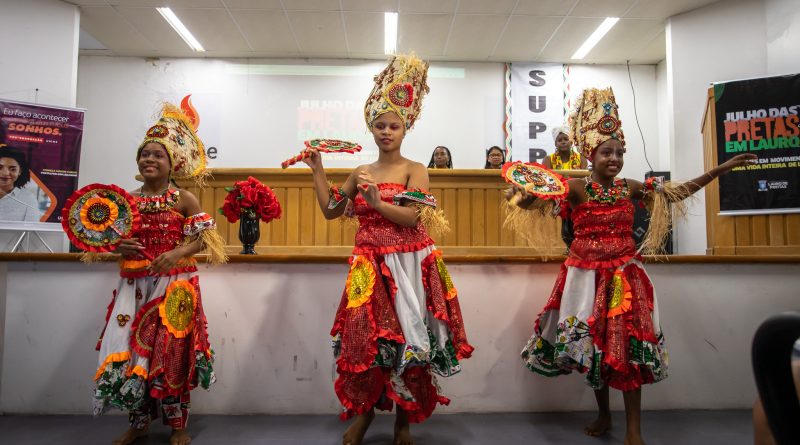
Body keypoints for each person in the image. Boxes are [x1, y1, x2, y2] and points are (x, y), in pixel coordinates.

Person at [507, 87, 756, 445]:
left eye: (620, 152)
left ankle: (634, 430)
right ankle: (605, 415)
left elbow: (676, 192)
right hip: (585, 280)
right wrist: (524, 190)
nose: (615, 158)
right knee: (595, 350)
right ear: (590, 155)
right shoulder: (575, 188)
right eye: (607, 152)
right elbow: (528, 201)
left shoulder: (632, 188)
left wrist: (718, 170)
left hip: (625, 280)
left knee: (628, 350)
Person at [303, 54, 473, 445]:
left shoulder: (416, 168)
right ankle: (363, 416)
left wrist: (378, 204)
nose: (385, 131)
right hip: (369, 266)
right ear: (371, 128)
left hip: (410, 264)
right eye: (379, 125)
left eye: (393, 125)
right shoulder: (359, 171)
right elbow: (333, 212)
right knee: (368, 340)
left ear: (405, 128)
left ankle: (403, 421)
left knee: (408, 339)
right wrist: (318, 172)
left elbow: (415, 218)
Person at [92, 103, 227, 445]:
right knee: (134, 352)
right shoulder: (124, 201)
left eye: (157, 155)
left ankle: (178, 425)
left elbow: (204, 239)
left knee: (172, 351)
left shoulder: (184, 198)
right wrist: (117, 247)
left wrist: (178, 252)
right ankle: (138, 424)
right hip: (135, 287)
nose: (149, 160)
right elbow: (106, 240)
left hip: (176, 286)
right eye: (144, 155)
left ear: (171, 164)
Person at [0, 145, 42, 221]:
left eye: (12, 169)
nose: (5, 173)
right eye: (0, 167)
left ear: (20, 171)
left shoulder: (28, 199)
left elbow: (31, 231)